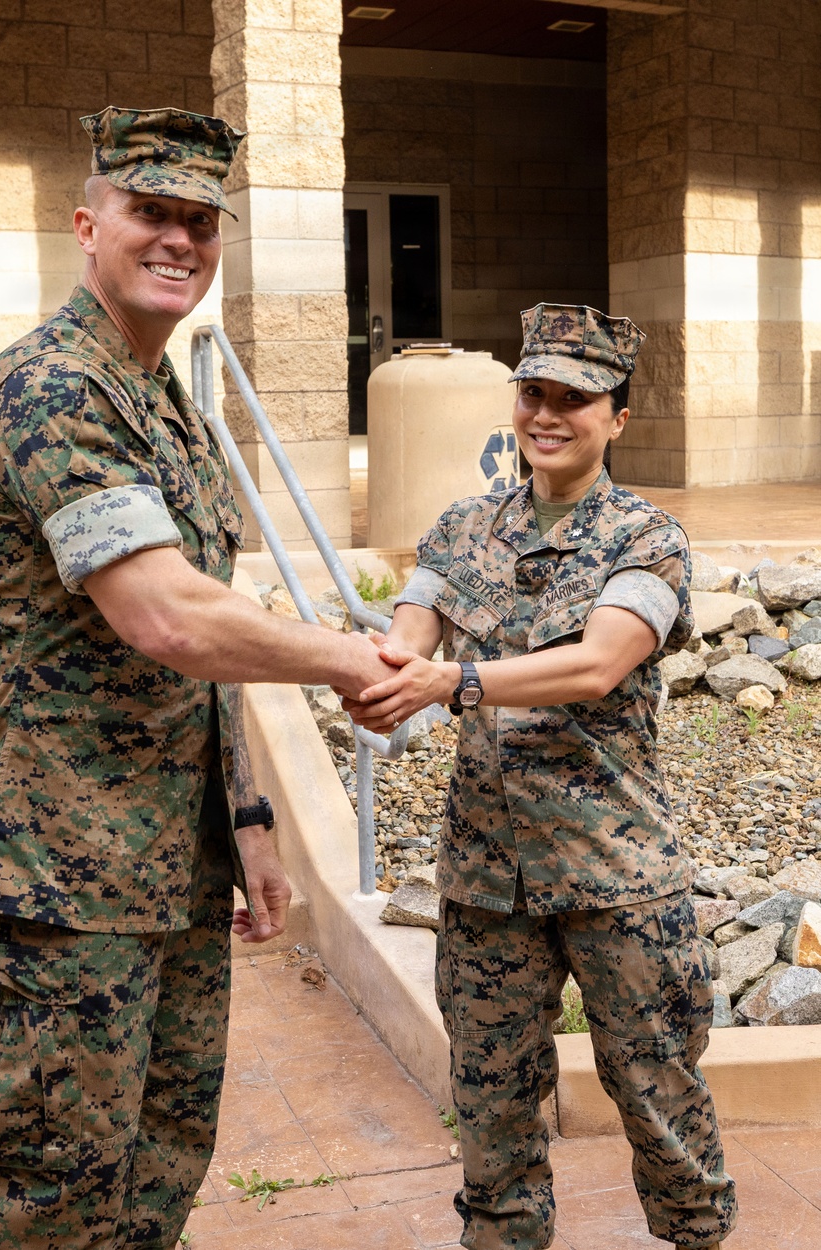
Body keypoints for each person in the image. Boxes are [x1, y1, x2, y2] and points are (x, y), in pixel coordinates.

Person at [0, 105, 396, 1250]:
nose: (180, 238)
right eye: (151, 210)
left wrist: (245, 817)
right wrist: (352, 655)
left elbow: (204, 645)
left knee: (155, 1165)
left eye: (201, 217)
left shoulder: (165, 404)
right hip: (57, 872)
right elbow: (169, 616)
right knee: (44, 1189)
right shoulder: (53, 390)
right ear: (87, 224)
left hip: (166, 862)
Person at [343, 304, 737, 1250]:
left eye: (575, 399)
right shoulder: (462, 528)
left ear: (617, 418)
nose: (548, 416)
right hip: (487, 880)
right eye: (534, 394)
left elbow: (597, 663)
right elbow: (410, 634)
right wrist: (379, 674)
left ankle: (698, 1237)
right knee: (490, 1106)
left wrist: (454, 684)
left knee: (657, 1093)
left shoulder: (647, 537)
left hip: (615, 873)